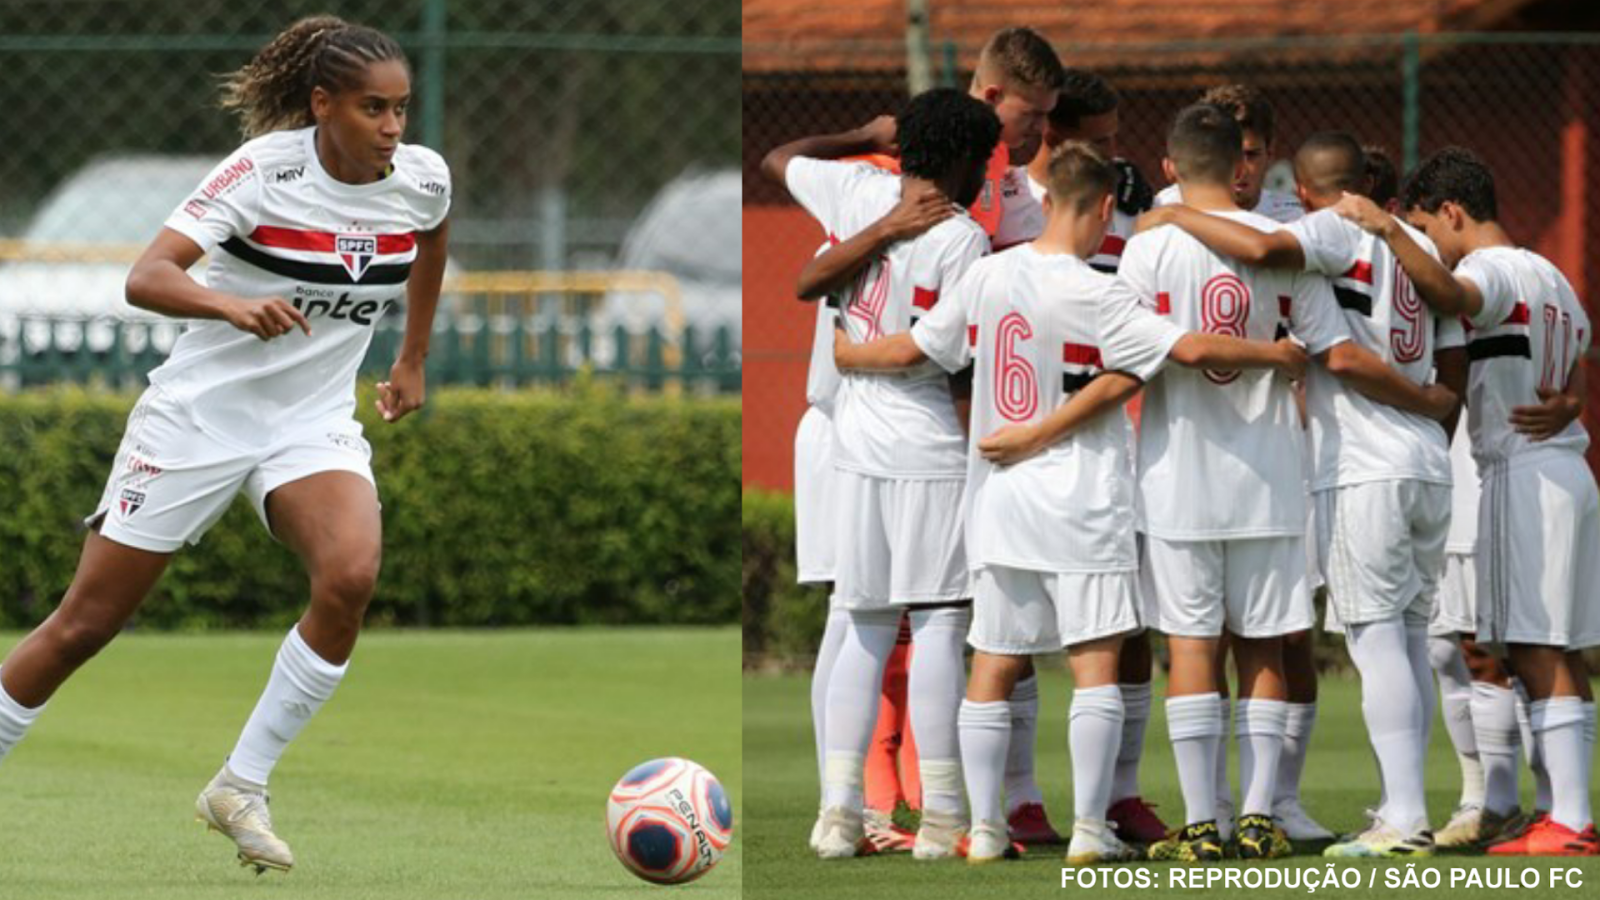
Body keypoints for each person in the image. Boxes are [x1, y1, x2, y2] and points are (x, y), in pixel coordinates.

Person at [0, 17, 449, 874]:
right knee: (85, 624)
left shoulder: (420, 178)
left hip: (309, 425)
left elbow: (433, 235)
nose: (394, 128)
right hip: (199, 420)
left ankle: (241, 785)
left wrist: (413, 356)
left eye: (401, 109)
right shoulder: (261, 172)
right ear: (323, 106)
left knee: (350, 575)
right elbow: (147, 276)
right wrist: (231, 306)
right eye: (373, 109)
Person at [836, 140, 1306, 865]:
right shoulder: (1100, 293)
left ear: (1047, 197)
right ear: (1102, 209)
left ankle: (987, 829)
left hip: (998, 499)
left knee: (992, 660)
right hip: (1083, 498)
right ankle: (1090, 829)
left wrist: (846, 354)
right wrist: (1274, 356)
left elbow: (917, 349)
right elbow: (1179, 352)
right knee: (1094, 663)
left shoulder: (990, 276)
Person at [1114, 105, 1454, 862]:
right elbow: (1323, 348)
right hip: (1272, 475)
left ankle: (1206, 824)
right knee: (1269, 642)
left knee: (1194, 644)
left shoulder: (1148, 249)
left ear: (1169, 166)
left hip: (1179, 475)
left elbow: (1126, 353)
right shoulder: (1292, 258)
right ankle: (1265, 815)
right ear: (1245, 170)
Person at [1333, 147, 1598, 856]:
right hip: (1567, 469)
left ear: (1451, 213)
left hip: (1519, 469)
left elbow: (1454, 298)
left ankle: (1570, 820)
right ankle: (1562, 812)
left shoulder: (1486, 270)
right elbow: (1572, 361)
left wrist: (1386, 231)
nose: (1429, 248)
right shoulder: (1552, 274)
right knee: (1559, 649)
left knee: (1535, 648)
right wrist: (1570, 399)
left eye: (1427, 228)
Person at [761, 87, 999, 860]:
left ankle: (838, 814)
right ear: (962, 159)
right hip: (924, 444)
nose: (985, 180)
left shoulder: (856, 188)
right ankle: (939, 820)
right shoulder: (962, 239)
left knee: (861, 622)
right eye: (984, 163)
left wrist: (859, 135)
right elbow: (938, 352)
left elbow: (779, 160)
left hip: (849, 441)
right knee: (936, 622)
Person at [1010, 66, 1166, 848]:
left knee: (1124, 625)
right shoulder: (1004, 199)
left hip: (1106, 437)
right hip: (1014, 447)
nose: (1116, 153)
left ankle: (1119, 794)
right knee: (1004, 637)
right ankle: (1015, 796)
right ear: (1055, 137)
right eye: (1099, 141)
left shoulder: (1130, 203)